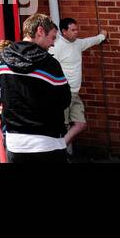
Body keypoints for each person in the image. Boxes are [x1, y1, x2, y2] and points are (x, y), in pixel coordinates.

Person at [0, 12, 71, 163]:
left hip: (15, 143)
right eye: (53, 37)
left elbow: (0, 93)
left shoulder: (2, 60)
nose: (53, 43)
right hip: (48, 142)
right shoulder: (49, 64)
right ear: (40, 31)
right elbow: (64, 99)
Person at [50, 17, 106, 154]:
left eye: (77, 29)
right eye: (73, 30)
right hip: (63, 94)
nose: (77, 32)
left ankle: (61, 148)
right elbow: (49, 68)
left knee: (81, 124)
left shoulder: (77, 44)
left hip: (75, 93)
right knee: (61, 127)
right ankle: (57, 153)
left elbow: (90, 41)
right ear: (63, 31)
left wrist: (102, 36)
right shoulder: (56, 47)